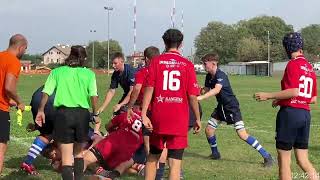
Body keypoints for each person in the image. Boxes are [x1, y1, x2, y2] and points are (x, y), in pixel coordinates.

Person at [254, 32, 318, 180]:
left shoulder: (293, 64)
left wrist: (268, 95)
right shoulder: (309, 67)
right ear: (301, 47)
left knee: (284, 161)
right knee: (303, 160)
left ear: (286, 48)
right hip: (305, 115)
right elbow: (312, 98)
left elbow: (294, 91)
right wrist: (281, 100)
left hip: (290, 115)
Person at [141, 29, 201, 180]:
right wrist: (198, 118)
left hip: (159, 117)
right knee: (175, 162)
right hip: (179, 119)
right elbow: (192, 95)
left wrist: (143, 114)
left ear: (164, 42)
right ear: (181, 44)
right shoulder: (187, 64)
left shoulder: (156, 62)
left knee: (153, 157)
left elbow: (149, 89)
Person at [35, 45, 100, 180]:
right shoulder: (89, 74)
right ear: (83, 58)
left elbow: (46, 92)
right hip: (82, 115)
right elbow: (94, 96)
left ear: (70, 55)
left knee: (66, 158)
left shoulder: (57, 72)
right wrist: (95, 114)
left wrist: (41, 110)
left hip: (63, 115)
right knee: (78, 154)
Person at [197, 53, 274, 167]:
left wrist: (202, 97)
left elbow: (217, 89)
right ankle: (215, 154)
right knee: (209, 130)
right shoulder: (209, 76)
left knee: (242, 134)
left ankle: (267, 156)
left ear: (213, 63)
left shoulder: (221, 74)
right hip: (221, 107)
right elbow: (208, 88)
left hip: (231, 107)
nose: (203, 65)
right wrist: (197, 90)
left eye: (205, 63)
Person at [83, 107, 144, 180]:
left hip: (112, 143)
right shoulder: (149, 124)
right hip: (125, 154)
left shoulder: (129, 114)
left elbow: (108, 126)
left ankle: (77, 176)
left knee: (86, 159)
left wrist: (112, 131)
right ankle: (137, 167)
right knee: (119, 167)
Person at [0, 34, 28, 174]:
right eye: (25, 49)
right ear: (21, 47)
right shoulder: (14, 61)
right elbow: (9, 87)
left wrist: (9, 101)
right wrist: (19, 102)